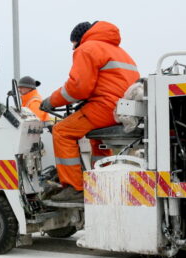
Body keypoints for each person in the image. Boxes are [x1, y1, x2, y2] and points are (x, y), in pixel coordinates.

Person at [40, 21, 140, 202]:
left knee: (62, 131)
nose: (73, 49)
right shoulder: (121, 52)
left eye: (73, 45)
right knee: (96, 140)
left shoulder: (87, 48)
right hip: (125, 110)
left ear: (79, 39)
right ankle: (102, 180)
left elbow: (78, 87)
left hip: (105, 107)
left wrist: (51, 101)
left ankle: (73, 188)